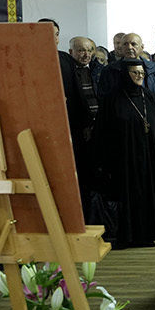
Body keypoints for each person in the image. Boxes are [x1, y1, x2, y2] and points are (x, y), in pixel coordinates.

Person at [94, 59, 155, 248]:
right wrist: (106, 161)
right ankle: (127, 236)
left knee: (148, 193)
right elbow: (102, 131)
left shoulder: (148, 95)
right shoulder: (112, 99)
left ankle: (148, 234)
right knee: (127, 196)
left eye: (142, 73)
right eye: (135, 73)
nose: (139, 76)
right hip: (124, 158)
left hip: (148, 157)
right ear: (125, 75)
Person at [64, 36, 102, 213]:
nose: (86, 54)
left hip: (99, 127)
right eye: (81, 50)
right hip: (79, 131)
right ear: (71, 52)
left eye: (89, 50)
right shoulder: (66, 73)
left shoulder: (97, 71)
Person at [98, 31, 155, 112]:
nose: (129, 47)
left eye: (133, 44)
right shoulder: (109, 70)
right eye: (125, 44)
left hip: (151, 113)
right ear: (121, 47)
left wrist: (152, 109)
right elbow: (103, 97)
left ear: (142, 47)